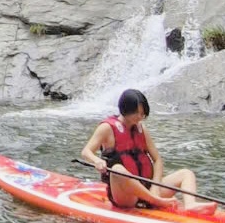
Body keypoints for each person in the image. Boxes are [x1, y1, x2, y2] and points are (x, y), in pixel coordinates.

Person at [79, 88, 207, 212]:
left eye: (142, 113)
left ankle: (190, 204)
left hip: (148, 188)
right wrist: (96, 160)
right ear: (125, 109)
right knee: (118, 169)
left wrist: (156, 188)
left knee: (186, 173)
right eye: (137, 113)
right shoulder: (107, 128)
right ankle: (154, 201)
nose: (140, 117)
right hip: (126, 195)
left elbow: (157, 160)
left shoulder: (141, 129)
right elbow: (86, 151)